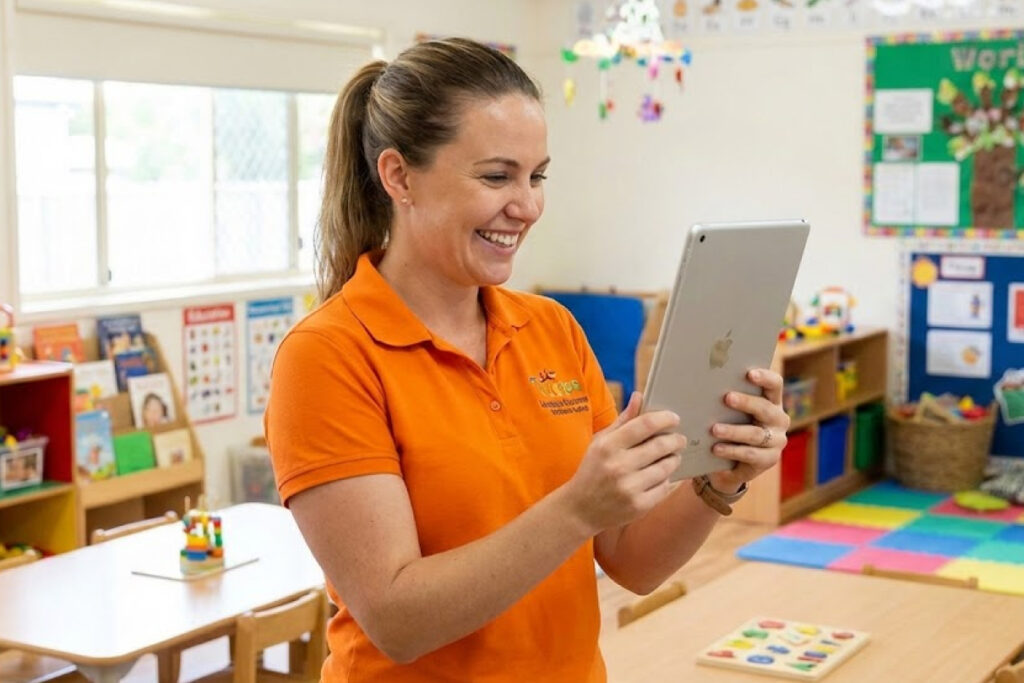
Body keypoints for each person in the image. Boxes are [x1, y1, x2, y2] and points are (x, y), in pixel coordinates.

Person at [266, 37, 790, 682]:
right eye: (496, 176)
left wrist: (719, 478)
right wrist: (576, 507)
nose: (528, 205)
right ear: (399, 176)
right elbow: (396, 620)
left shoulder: (551, 329)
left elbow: (631, 560)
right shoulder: (326, 356)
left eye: (537, 175)